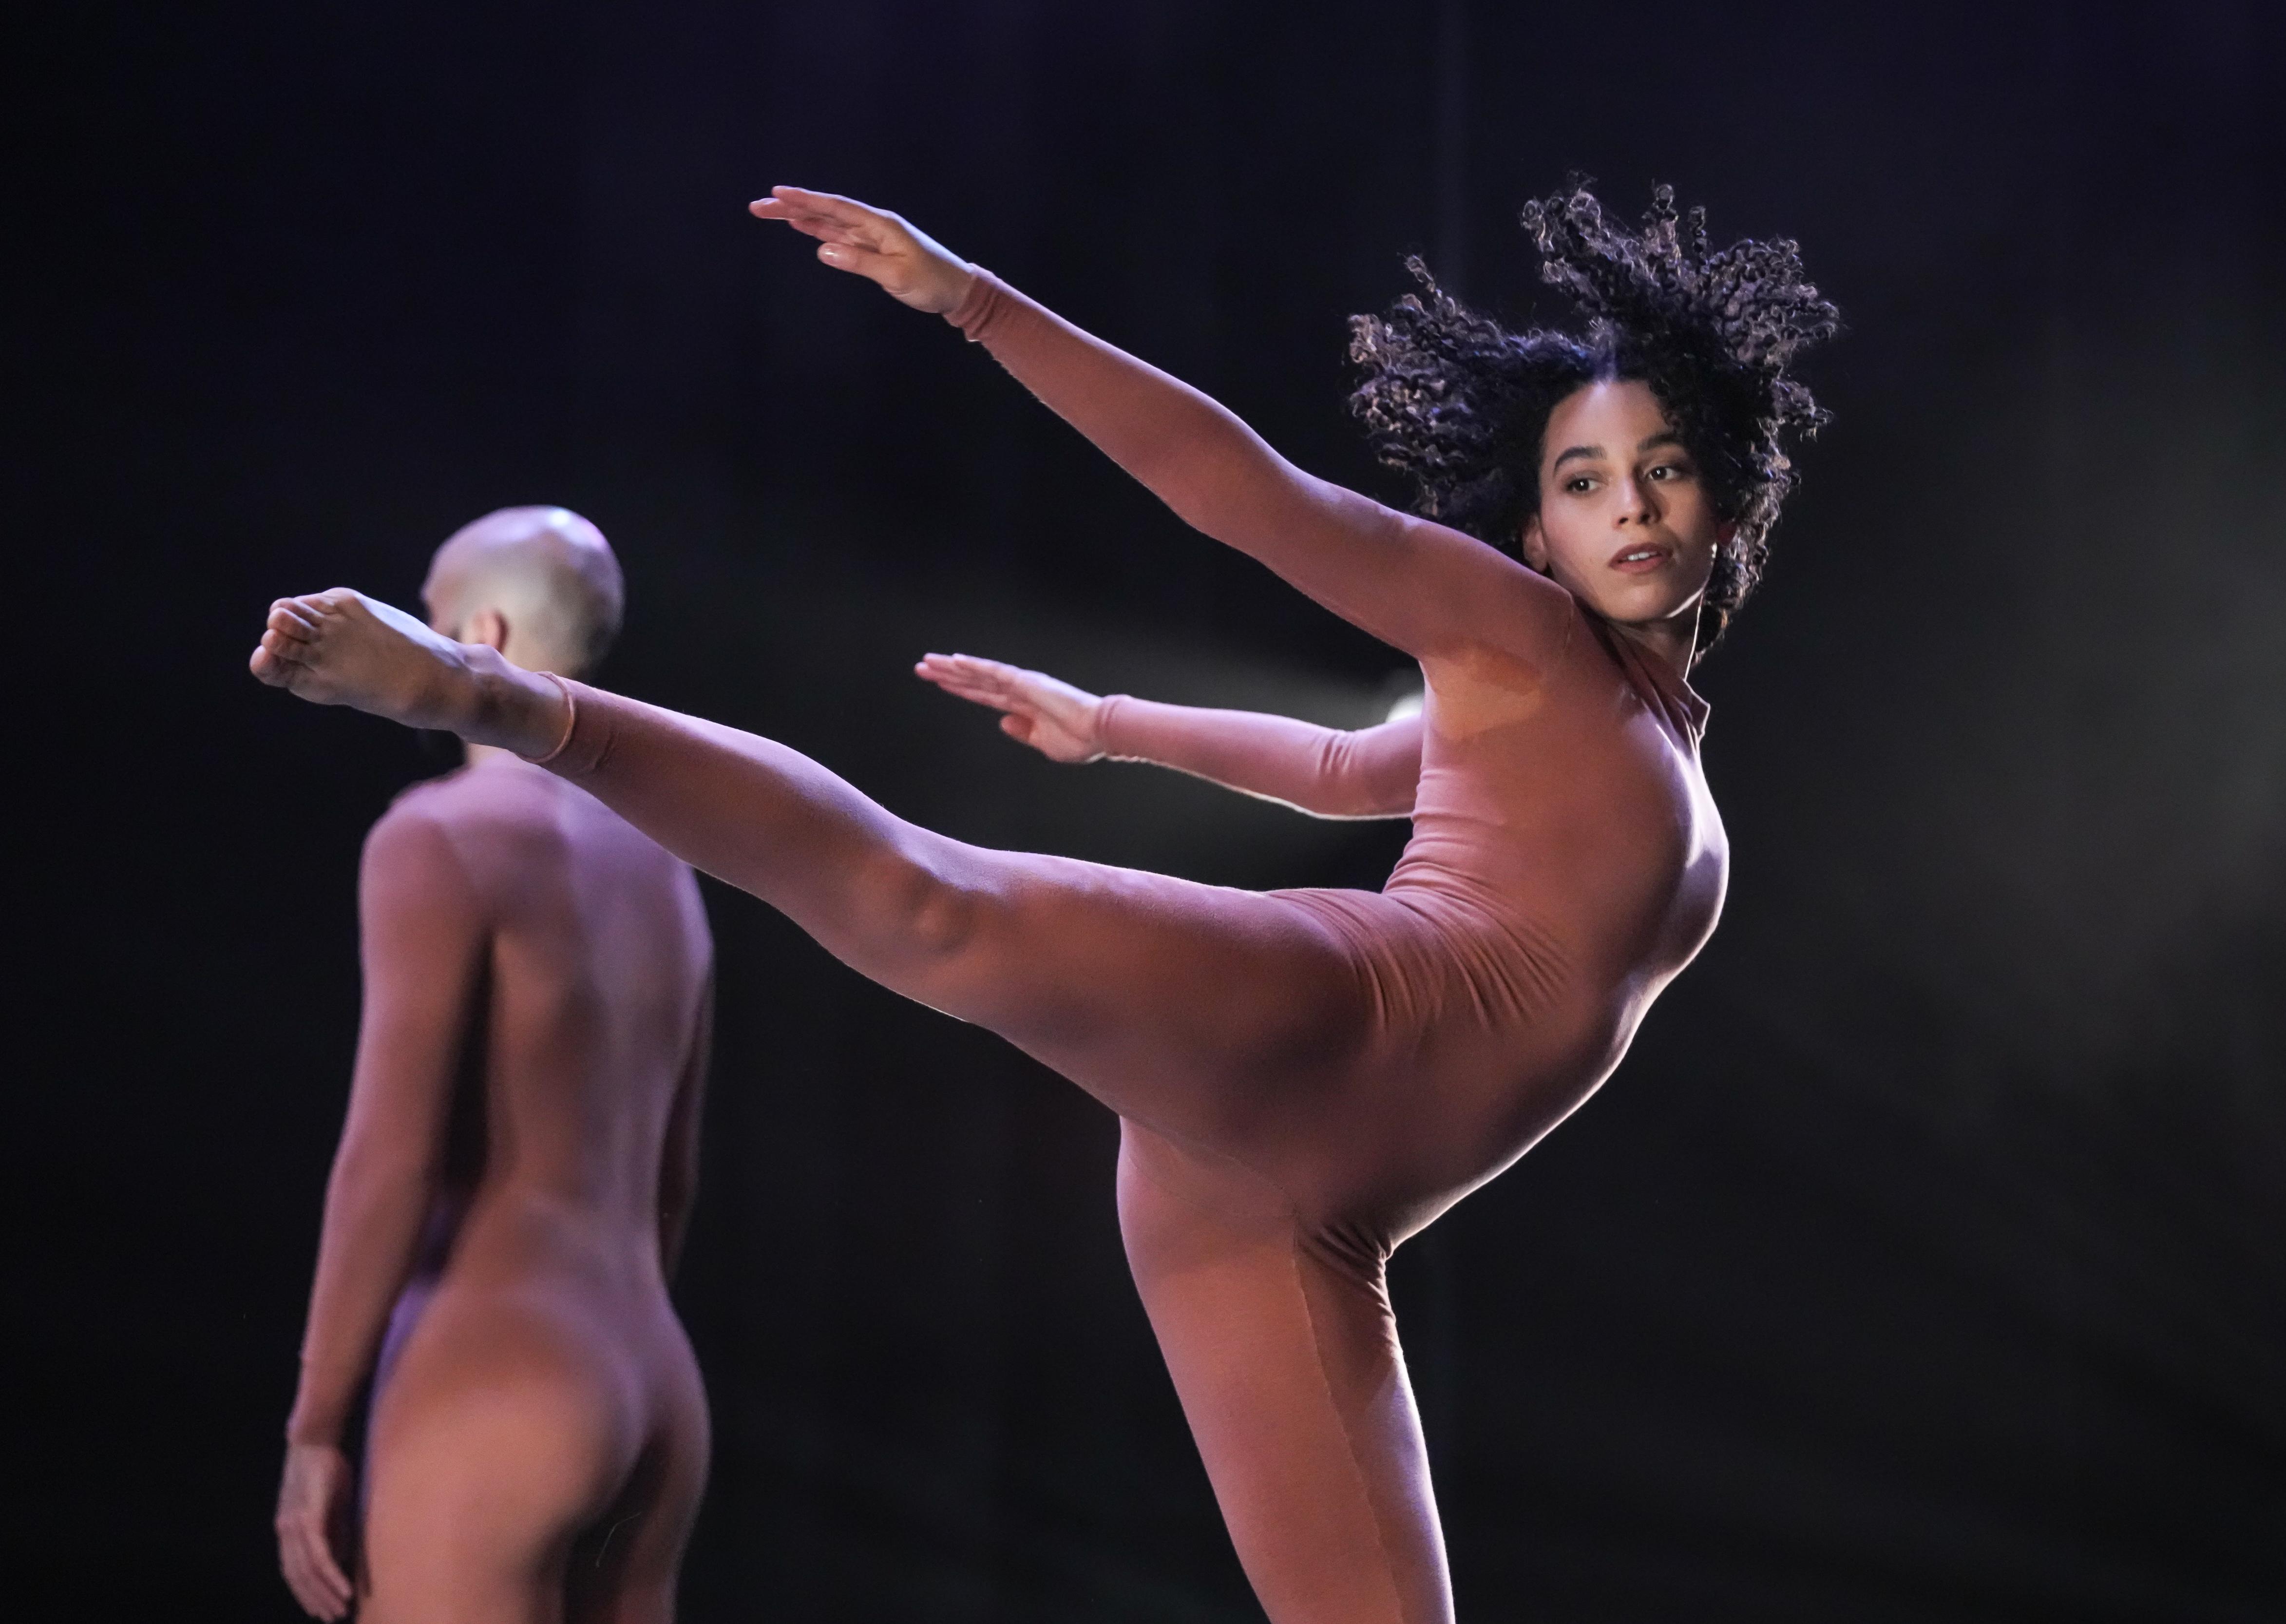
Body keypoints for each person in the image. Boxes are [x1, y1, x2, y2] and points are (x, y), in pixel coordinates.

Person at [250, 181, 1835, 1624]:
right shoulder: (1526, 636)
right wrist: (980, 305)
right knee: (929, 901)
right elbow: (1258, 497)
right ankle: (499, 700)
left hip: (1299, 1223)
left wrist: (1119, 726)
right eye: (1584, 479)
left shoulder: (1606, 722)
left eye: (1662, 469)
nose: (1628, 505)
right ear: (1532, 530)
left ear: (1728, 490)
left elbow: (1356, 767)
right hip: (1335, 1024)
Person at [271, 507, 715, 1624]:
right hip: (654, 1374)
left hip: (498, 1361)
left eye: (425, 612)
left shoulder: (439, 834)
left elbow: (391, 1159)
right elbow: (672, 1177)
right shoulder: (670, 866)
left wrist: (316, 1423)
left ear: (487, 629)